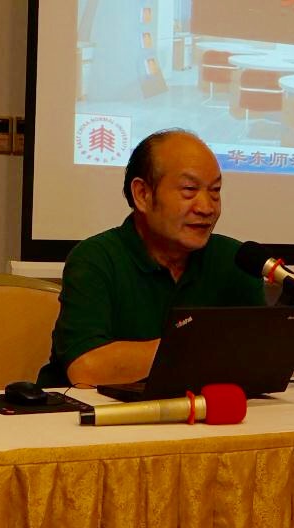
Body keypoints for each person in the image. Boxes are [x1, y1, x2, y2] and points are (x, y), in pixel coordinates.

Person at [36, 129, 265, 387]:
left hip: (200, 410)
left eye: (215, 191)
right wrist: (204, 349)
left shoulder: (236, 260)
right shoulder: (95, 259)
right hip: (94, 410)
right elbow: (86, 368)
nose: (207, 207)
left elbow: (260, 358)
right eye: (189, 190)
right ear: (142, 194)